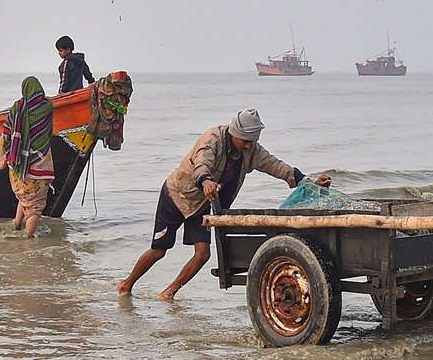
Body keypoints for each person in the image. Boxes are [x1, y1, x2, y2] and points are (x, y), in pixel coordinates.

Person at [118, 108, 332, 301]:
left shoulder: (252, 151)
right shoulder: (213, 139)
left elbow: (276, 166)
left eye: (252, 142)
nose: (248, 146)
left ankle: (170, 292)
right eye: (245, 141)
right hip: (178, 195)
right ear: (234, 133)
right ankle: (127, 284)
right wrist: (206, 181)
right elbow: (201, 163)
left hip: (202, 205)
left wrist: (308, 182)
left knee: (202, 254)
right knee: (159, 250)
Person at [0, 77, 56, 237]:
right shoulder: (47, 107)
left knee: (24, 197)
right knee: (35, 206)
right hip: (40, 166)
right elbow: (49, 130)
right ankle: (28, 240)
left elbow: (7, 133)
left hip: (18, 167)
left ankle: (16, 227)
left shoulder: (17, 107)